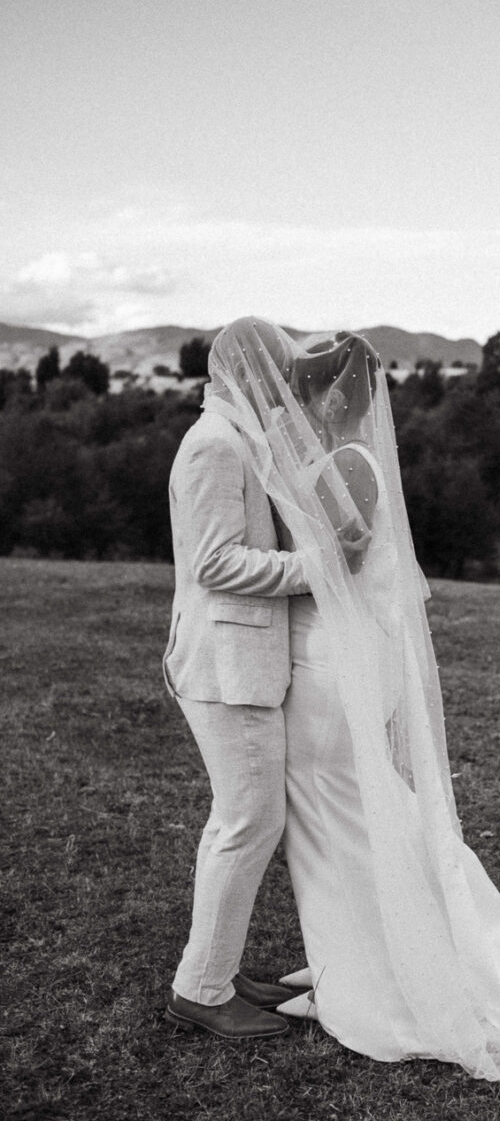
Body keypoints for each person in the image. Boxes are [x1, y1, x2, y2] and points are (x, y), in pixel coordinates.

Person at [198, 316, 500, 1089]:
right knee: (343, 817)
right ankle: (355, 957)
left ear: (336, 399)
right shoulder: (312, 457)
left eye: (307, 388)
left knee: (335, 814)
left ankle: (384, 971)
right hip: (320, 657)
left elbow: (347, 559)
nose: (294, 400)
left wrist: (313, 548)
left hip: (328, 665)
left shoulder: (347, 463)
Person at [161, 324, 312, 1039]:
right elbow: (216, 564)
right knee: (248, 821)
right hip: (226, 668)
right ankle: (202, 989)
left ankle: (217, 972)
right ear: (248, 374)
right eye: (275, 376)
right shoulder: (215, 447)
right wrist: (316, 568)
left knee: (244, 820)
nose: (281, 391)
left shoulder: (233, 438)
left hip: (237, 663)